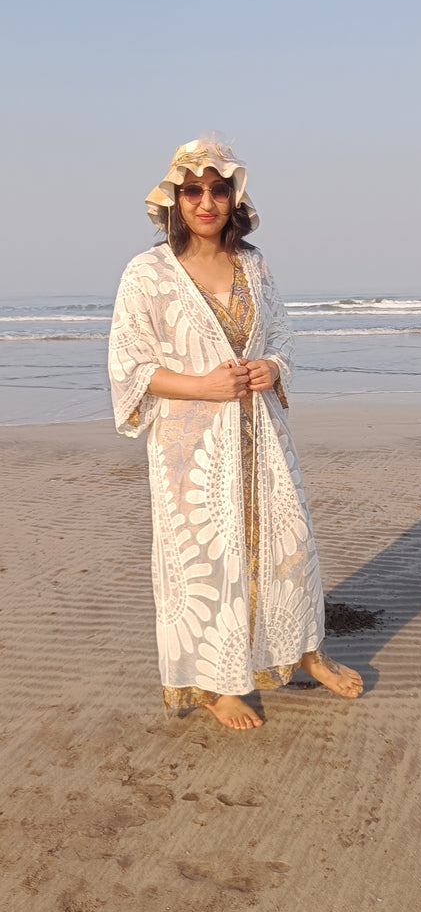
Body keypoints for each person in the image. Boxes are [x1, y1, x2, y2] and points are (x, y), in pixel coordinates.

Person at [108, 136, 363, 729]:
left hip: (264, 437)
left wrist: (272, 367)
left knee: (288, 544)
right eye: (192, 190)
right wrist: (203, 386)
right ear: (174, 199)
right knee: (206, 560)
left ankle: (306, 653)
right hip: (190, 449)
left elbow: (283, 337)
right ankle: (214, 684)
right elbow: (129, 368)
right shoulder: (146, 274)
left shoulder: (254, 264)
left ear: (234, 197)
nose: (206, 202)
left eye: (218, 190)